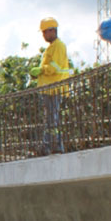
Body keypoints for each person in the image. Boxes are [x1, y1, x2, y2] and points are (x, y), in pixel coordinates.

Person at [34, 16, 71, 154]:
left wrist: (41, 70)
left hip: (55, 88)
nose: (43, 35)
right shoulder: (51, 47)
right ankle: (50, 144)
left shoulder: (59, 46)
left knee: (52, 119)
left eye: (45, 32)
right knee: (50, 119)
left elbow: (54, 67)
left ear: (52, 31)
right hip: (49, 89)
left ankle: (52, 145)